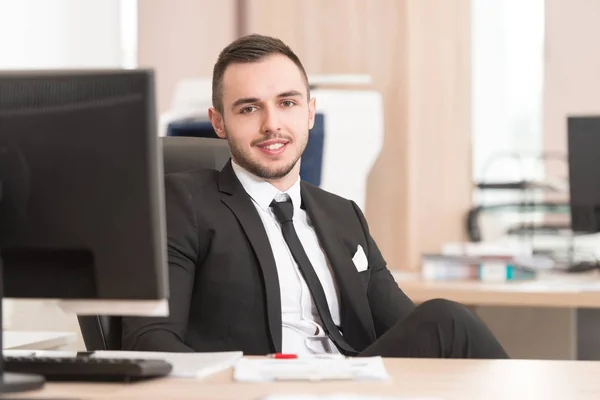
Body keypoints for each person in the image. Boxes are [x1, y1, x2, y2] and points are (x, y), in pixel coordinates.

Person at [121, 34, 508, 359]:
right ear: (218, 122)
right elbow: (150, 340)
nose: (271, 124)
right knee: (447, 318)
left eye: (287, 103)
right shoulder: (185, 202)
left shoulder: (343, 215)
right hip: (258, 390)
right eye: (249, 108)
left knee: (445, 322)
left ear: (309, 113)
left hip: (352, 384)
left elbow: (408, 327)